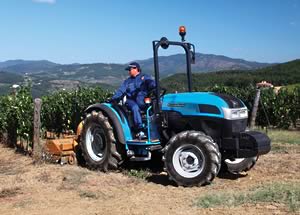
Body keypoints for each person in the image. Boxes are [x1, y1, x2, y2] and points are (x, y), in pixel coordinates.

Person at [111, 62, 156, 139]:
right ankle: (139, 129)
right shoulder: (127, 81)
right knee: (135, 107)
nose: (129, 71)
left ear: (136, 69)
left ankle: (154, 128)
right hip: (131, 101)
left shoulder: (144, 77)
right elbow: (121, 91)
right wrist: (113, 98)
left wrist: (153, 85)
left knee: (154, 106)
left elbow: (151, 83)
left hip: (143, 100)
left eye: (130, 69)